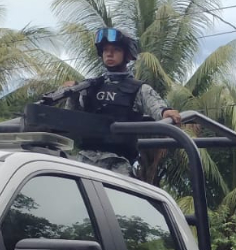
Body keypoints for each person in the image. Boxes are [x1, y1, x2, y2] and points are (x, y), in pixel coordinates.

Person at [57, 26, 182, 176]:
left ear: (127, 55)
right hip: (84, 160)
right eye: (105, 50)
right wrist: (72, 96)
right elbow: (71, 118)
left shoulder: (139, 89)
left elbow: (157, 108)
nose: (109, 53)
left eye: (116, 49)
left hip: (117, 165)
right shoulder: (89, 87)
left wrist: (165, 112)